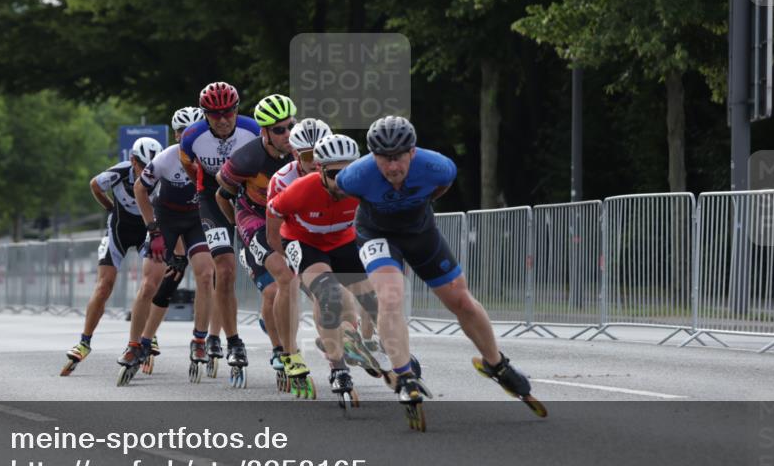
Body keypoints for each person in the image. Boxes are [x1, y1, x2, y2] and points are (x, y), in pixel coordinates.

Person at [335, 116, 544, 430]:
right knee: (390, 296)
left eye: (399, 158)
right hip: (376, 235)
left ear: (413, 152)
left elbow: (441, 188)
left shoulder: (438, 168)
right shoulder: (354, 176)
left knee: (461, 300)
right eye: (384, 159)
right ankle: (405, 376)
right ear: (372, 156)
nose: (392, 167)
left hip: (421, 232)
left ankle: (496, 365)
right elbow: (341, 194)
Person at [266, 134, 380, 407]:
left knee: (372, 298)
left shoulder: (365, 187)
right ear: (319, 170)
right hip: (304, 241)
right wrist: (288, 257)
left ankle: (358, 338)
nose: (342, 180)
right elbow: (272, 222)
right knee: (328, 293)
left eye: (349, 172)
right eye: (334, 173)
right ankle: (338, 368)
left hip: (342, 240)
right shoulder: (299, 190)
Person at [117, 108, 215, 385]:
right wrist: (153, 229)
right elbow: (139, 189)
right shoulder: (166, 158)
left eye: (197, 131)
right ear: (176, 135)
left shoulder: (212, 158)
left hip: (197, 219)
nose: (191, 138)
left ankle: (199, 339)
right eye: (185, 133)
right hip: (167, 219)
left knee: (206, 275)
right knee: (150, 284)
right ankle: (135, 344)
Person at [62, 136, 164, 376]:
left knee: (150, 285)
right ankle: (84, 341)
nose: (146, 172)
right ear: (132, 161)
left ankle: (148, 336)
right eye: (141, 166)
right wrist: (109, 207)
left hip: (146, 231)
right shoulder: (119, 172)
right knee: (104, 285)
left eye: (151, 167)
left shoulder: (161, 175)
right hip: (118, 230)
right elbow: (95, 185)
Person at [216, 93, 297, 387]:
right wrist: (238, 229)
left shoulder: (302, 150)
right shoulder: (246, 158)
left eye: (290, 125)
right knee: (275, 287)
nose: (288, 134)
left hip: (286, 218)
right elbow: (221, 194)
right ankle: (280, 351)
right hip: (255, 219)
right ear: (264, 132)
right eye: (279, 129)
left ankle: (275, 326)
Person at [180, 82, 259, 372]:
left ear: (237, 110)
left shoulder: (254, 130)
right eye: (215, 114)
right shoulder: (192, 137)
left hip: (246, 198)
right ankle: (233, 340)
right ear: (205, 115)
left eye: (229, 112)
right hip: (211, 198)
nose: (223, 120)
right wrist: (206, 187)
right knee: (224, 269)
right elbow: (188, 164)